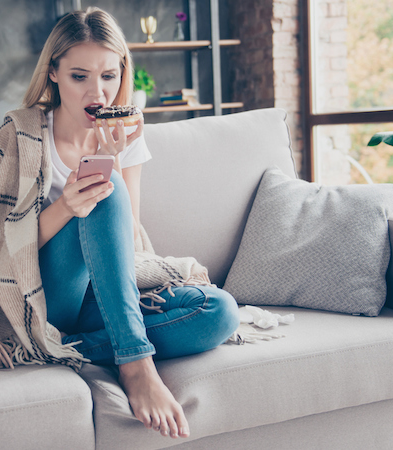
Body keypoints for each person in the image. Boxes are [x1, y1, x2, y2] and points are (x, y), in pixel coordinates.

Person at [18, 7, 240, 440]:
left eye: (108, 76)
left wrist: (114, 160)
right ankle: (136, 364)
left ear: (123, 74)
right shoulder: (27, 137)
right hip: (49, 293)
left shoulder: (128, 135)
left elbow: (129, 235)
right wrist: (67, 205)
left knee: (219, 311)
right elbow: (3, 245)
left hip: (101, 300)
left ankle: (63, 351)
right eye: (79, 76)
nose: (96, 92)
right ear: (53, 74)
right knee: (107, 190)